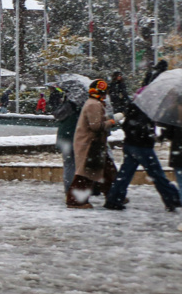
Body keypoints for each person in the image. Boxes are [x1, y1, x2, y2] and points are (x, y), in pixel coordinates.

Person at [103, 97, 180, 211]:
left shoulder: (135, 107)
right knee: (157, 174)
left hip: (130, 144)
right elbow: (142, 128)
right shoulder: (145, 110)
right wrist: (151, 135)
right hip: (142, 146)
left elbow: (128, 125)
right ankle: (173, 198)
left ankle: (114, 199)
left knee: (125, 174)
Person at [68, 79, 117, 209]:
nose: (106, 95)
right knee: (87, 173)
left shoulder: (94, 103)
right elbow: (96, 126)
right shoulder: (94, 104)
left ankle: (115, 195)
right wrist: (111, 122)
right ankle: (75, 201)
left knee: (106, 170)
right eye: (105, 92)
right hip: (90, 145)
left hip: (95, 144)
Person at [49, 86, 79, 193]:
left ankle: (69, 188)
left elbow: (57, 114)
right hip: (73, 137)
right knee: (73, 164)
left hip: (64, 137)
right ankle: (72, 189)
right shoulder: (77, 106)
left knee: (69, 164)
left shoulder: (66, 106)